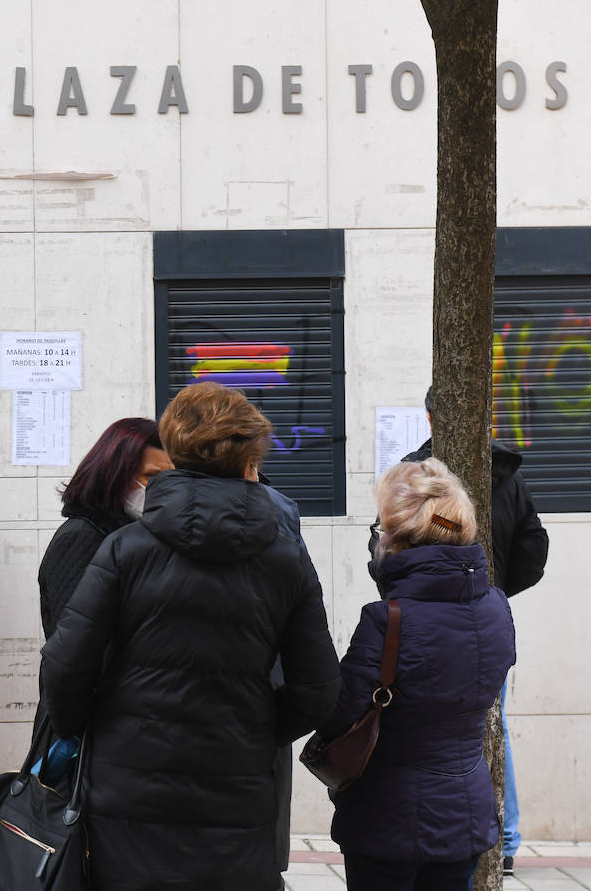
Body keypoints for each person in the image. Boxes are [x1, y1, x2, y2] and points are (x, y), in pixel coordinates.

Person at [41, 381, 340, 891]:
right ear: (250, 456)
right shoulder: (285, 560)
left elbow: (66, 668)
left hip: (127, 783)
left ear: (177, 446)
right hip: (237, 784)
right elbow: (319, 689)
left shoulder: (124, 549)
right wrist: (257, 729)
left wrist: (101, 727)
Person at [370, 386, 548, 875]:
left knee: (414, 730)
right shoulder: (506, 473)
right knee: (488, 725)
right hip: (483, 618)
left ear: (429, 419)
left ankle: (478, 837)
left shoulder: (409, 475)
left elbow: (382, 554)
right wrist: (494, 594)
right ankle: (505, 839)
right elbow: (534, 548)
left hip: (416, 620)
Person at [329, 457, 516, 890]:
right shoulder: (496, 606)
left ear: (395, 538)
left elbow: (341, 716)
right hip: (464, 813)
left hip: (387, 820)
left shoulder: (387, 619)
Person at [37, 417, 171, 641]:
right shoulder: (81, 538)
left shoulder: (138, 534)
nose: (163, 488)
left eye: (169, 477)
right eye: (151, 476)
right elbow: (73, 645)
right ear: (114, 474)